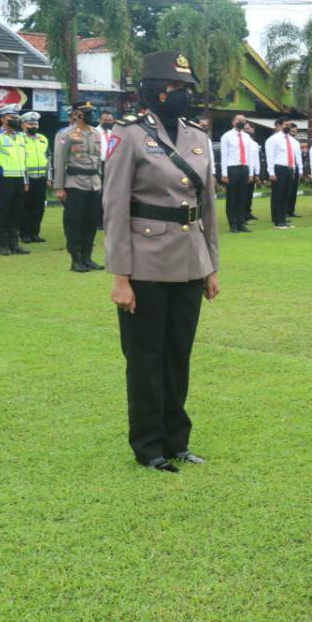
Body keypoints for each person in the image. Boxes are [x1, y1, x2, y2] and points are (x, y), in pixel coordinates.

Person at [104, 51, 219, 474]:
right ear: (157, 91)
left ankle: (177, 441)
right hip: (145, 265)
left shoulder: (198, 137)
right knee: (146, 357)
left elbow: (206, 206)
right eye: (178, 89)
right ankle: (149, 446)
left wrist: (210, 267)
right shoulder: (128, 136)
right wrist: (120, 276)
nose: (184, 97)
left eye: (188, 90)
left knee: (178, 356)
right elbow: (114, 208)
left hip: (189, 263)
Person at [53, 100, 104, 272]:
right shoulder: (66, 135)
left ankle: (87, 257)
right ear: (77, 114)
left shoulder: (95, 134)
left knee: (91, 222)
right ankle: (75, 259)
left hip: (94, 184)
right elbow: (59, 162)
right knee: (74, 222)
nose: (92, 115)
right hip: (75, 183)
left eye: (92, 112)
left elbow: (98, 160)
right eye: (88, 112)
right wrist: (59, 187)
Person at [0, 106, 29, 256]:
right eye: (12, 117)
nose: (15, 120)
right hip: (3, 180)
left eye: (17, 117)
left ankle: (15, 244)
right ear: (3, 118)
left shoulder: (20, 136)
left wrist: (25, 181)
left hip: (19, 180)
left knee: (16, 213)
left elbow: (23, 160)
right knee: (3, 213)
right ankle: (4, 245)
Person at [218, 114, 257, 233]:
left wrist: (250, 172)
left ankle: (241, 222)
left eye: (243, 121)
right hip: (232, 168)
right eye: (239, 120)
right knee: (232, 197)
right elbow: (224, 155)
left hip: (244, 168)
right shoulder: (226, 136)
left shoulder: (246, 137)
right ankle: (233, 224)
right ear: (233, 122)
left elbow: (249, 155)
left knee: (242, 197)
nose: (241, 122)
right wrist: (224, 173)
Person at [17, 112, 49, 244]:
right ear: (23, 125)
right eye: (31, 124)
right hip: (26, 178)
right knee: (26, 207)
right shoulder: (19, 139)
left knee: (39, 207)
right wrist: (24, 179)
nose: (34, 126)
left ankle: (35, 233)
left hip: (41, 177)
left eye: (36, 123)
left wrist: (49, 177)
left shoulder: (42, 138)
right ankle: (24, 234)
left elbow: (48, 158)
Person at [264, 119, 295, 229]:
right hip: (279, 169)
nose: (288, 126)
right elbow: (270, 157)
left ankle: (283, 219)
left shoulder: (291, 139)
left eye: (289, 125)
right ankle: (277, 221)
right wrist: (271, 172)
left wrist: (293, 169)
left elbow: (291, 155)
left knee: (286, 195)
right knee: (278, 195)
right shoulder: (273, 139)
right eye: (286, 124)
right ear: (280, 126)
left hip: (289, 169)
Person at [286, 123, 303, 218]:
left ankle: (291, 210)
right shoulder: (285, 141)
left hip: (295, 167)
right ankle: (285, 211)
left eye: (295, 131)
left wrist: (300, 170)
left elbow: (299, 157)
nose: (294, 133)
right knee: (287, 190)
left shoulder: (296, 142)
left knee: (293, 190)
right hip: (288, 167)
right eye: (292, 131)